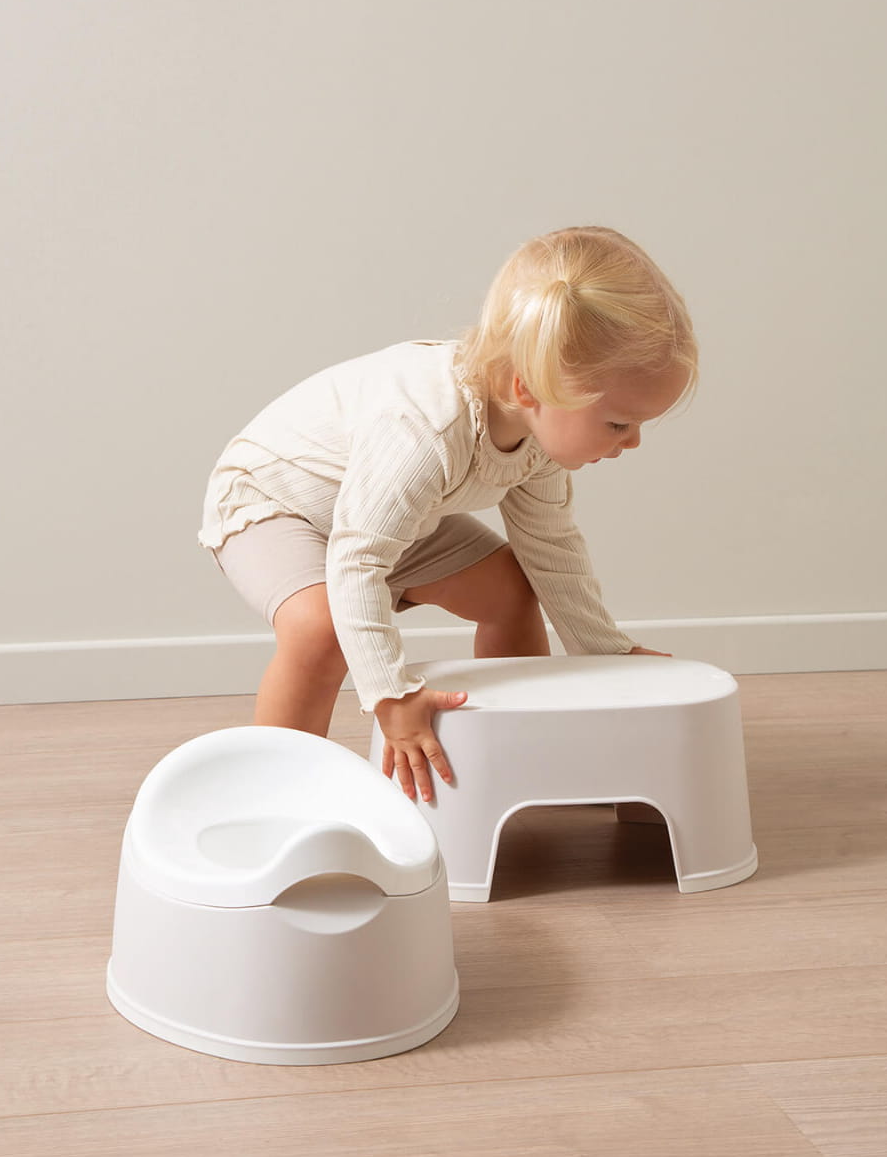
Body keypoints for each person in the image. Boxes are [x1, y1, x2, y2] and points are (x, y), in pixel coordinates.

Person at [198, 225, 698, 805]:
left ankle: (512, 751)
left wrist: (607, 653)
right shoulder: (424, 431)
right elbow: (358, 558)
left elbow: (551, 551)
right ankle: (272, 796)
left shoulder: (536, 438)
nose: (632, 441)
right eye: (618, 423)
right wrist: (392, 695)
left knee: (512, 590)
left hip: (384, 515)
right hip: (277, 501)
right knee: (321, 631)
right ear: (528, 389)